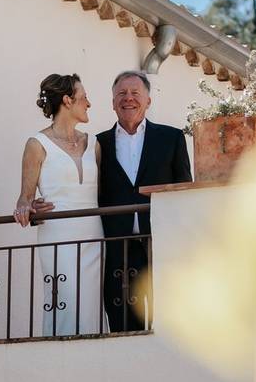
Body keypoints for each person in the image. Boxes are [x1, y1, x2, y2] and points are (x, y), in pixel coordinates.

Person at [95, 70, 191, 332]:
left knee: (170, 322)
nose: (128, 98)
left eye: (135, 93)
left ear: (148, 100)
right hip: (117, 248)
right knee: (122, 324)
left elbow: (183, 190)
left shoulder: (171, 138)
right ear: (113, 102)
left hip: (161, 243)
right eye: (122, 93)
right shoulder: (98, 144)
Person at [13, 73, 105, 336]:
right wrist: (28, 209)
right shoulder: (37, 145)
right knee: (66, 302)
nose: (89, 103)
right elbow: (24, 199)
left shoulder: (94, 144)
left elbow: (102, 194)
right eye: (84, 97)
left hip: (94, 236)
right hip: (58, 236)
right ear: (67, 100)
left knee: (92, 306)